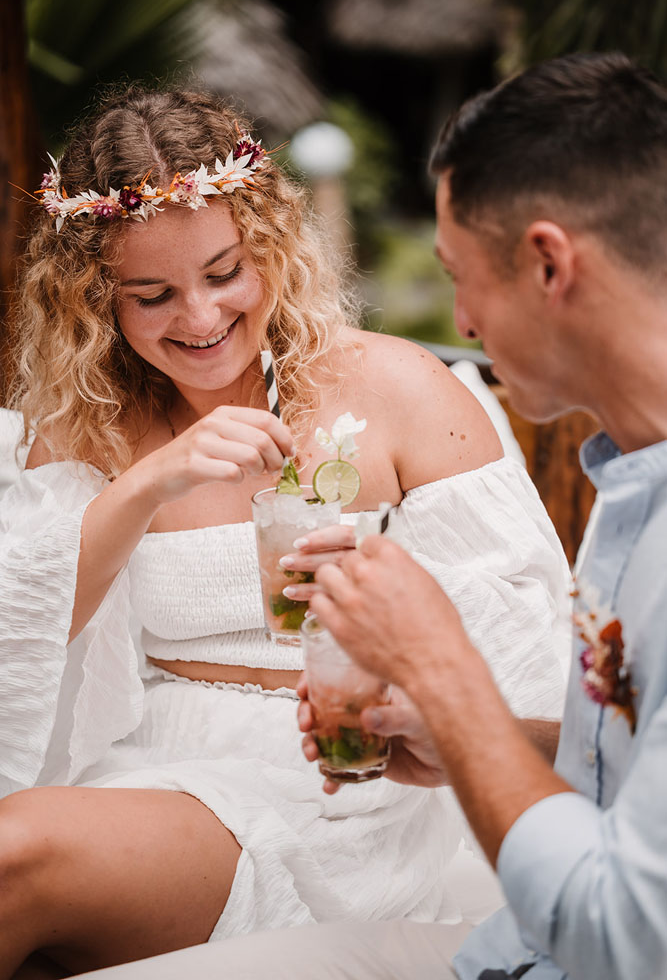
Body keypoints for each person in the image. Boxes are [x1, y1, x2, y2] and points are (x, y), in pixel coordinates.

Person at [73, 50, 667, 980]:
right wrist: (442, 728)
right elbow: (606, 765)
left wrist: (439, 674)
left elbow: (620, 921)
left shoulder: (404, 394)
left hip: (354, 822)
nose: (457, 326)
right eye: (151, 295)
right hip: (175, 769)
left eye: (458, 277)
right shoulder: (631, 495)